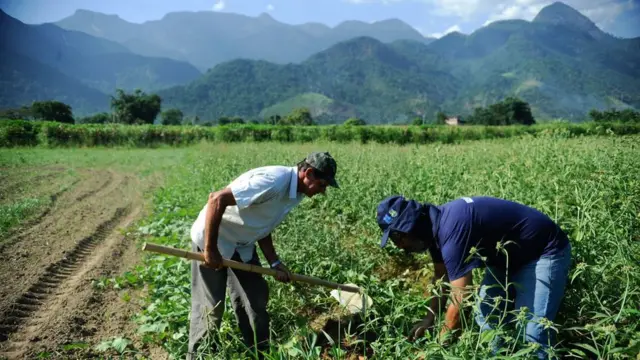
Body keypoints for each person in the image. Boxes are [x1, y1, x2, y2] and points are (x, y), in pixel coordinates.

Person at [375, 195, 572, 359]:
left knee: (533, 332)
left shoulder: (452, 229)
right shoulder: (432, 230)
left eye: (397, 238)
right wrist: (430, 318)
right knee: (487, 316)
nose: (399, 246)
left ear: (411, 226)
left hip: (543, 252)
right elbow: (441, 277)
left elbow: (461, 298)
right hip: (505, 259)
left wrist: (437, 348)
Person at [188, 152, 339, 359]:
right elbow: (217, 199)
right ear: (309, 173)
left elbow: (263, 225)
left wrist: (275, 262)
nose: (323, 192)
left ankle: (259, 354)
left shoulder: (296, 193)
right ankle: (197, 356)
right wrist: (210, 249)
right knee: (210, 309)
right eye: (322, 185)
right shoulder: (273, 182)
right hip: (214, 239)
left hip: (242, 245)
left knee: (255, 301)